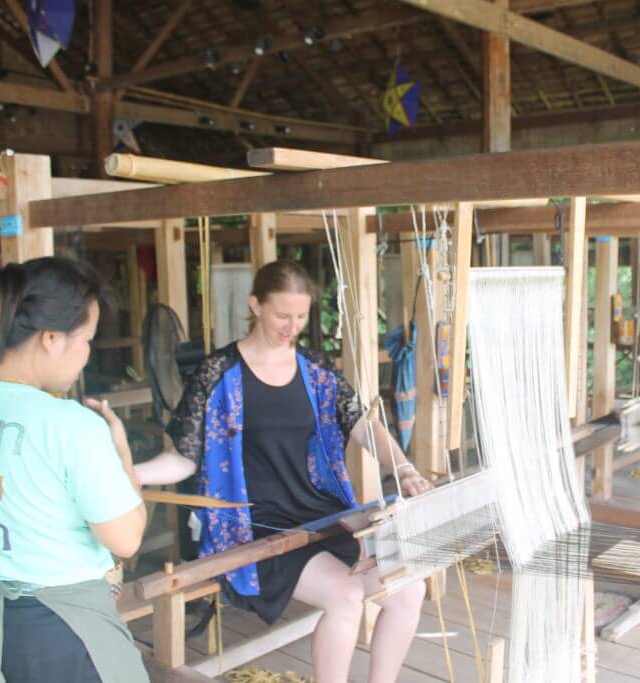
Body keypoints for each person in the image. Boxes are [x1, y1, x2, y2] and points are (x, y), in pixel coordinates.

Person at [135, 259, 434, 683]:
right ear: (255, 305)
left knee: (409, 591)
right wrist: (135, 473)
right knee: (346, 595)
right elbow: (185, 457)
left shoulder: (316, 372)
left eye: (300, 316)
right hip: (255, 524)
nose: (290, 326)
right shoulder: (218, 374)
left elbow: (364, 424)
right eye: (281, 315)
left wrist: (403, 469)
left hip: (323, 514)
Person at [0, 257, 148, 683]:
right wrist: (122, 454)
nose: (87, 354)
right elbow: (125, 539)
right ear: (51, 338)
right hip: (59, 633)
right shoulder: (73, 425)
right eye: (86, 339)